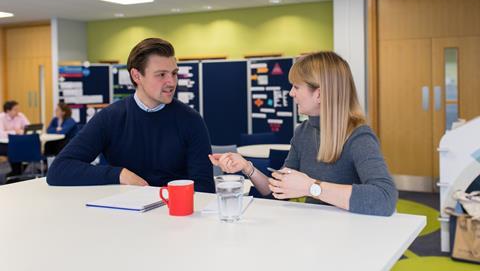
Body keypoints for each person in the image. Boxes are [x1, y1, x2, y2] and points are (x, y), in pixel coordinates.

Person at [210, 52, 398, 216]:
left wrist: (311, 187)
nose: (291, 93)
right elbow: (276, 189)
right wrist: (246, 167)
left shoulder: (359, 136)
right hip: (312, 231)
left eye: (296, 87)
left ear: (320, 94)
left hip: (349, 237)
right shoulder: (303, 132)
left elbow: (385, 198)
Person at [47, 38, 215, 192]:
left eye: (174, 73)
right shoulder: (110, 118)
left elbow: (204, 188)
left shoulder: (191, 120)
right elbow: (59, 169)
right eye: (161, 74)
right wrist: (119, 174)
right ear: (137, 76)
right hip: (123, 215)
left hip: (176, 215)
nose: (171, 82)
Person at [0, 100, 30, 178]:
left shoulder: (21, 115)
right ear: (8, 111)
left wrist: (18, 131)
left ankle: (17, 171)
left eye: (18, 109)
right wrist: (15, 132)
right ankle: (16, 171)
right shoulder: (1, 117)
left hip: (19, 142)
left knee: (30, 148)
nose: (18, 111)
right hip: (4, 144)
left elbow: (28, 128)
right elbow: (1, 134)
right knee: (15, 150)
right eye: (15, 109)